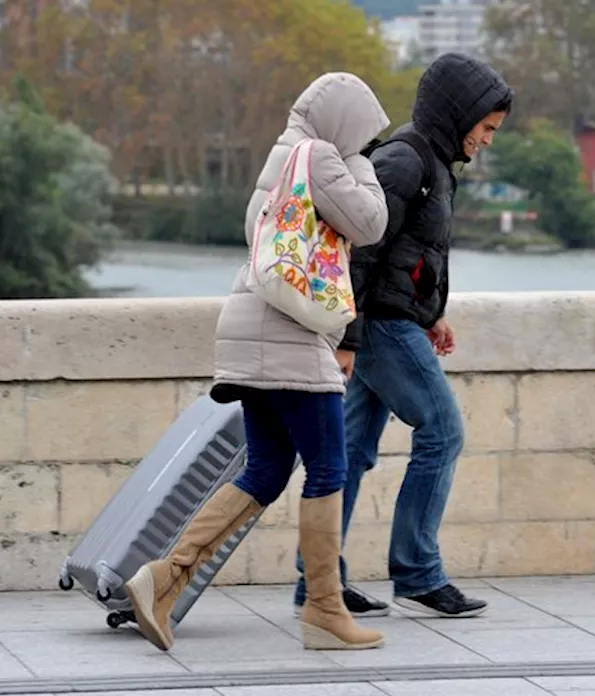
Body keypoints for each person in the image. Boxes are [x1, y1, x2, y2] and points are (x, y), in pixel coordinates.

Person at [124, 72, 392, 652]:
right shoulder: (320, 157)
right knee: (328, 467)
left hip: (251, 329)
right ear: (344, 124)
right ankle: (324, 608)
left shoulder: (282, 161)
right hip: (286, 336)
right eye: (364, 133)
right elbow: (372, 224)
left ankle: (163, 578)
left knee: (266, 472)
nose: (366, 145)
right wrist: (360, 160)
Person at [291, 52, 514, 619]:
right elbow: (360, 252)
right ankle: (416, 573)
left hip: (392, 319)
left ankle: (318, 583)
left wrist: (431, 312)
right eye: (485, 128)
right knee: (441, 430)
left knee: (351, 452)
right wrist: (347, 338)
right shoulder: (404, 160)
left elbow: (412, 254)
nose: (488, 140)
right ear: (458, 113)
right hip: (378, 326)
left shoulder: (434, 162)